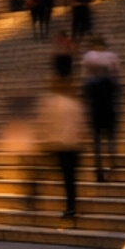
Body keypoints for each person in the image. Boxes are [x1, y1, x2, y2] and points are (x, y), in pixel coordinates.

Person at [34, 72, 87, 222]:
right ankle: (71, 206)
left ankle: (36, 196)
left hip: (60, 145)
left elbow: (46, 123)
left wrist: (43, 139)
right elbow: (82, 125)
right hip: (72, 146)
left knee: (65, 177)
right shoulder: (75, 104)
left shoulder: (53, 102)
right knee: (70, 179)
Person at [80, 39, 122, 181]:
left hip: (95, 113)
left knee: (97, 142)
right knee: (110, 139)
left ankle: (98, 169)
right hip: (109, 112)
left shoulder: (89, 83)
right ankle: (112, 162)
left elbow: (85, 99)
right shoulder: (110, 82)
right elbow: (117, 94)